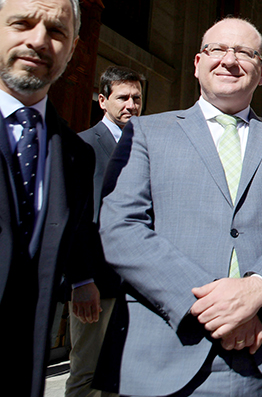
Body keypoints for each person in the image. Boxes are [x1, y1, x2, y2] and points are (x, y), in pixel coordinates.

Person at [97, 17, 262, 396]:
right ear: (196, 63)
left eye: (245, 52)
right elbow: (121, 227)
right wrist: (216, 306)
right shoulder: (146, 134)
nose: (229, 59)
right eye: (217, 49)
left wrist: (256, 290)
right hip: (168, 346)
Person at [0, 0, 96, 397]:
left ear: (73, 49)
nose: (38, 41)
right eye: (21, 24)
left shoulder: (77, 156)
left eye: (57, 31)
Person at [69, 65, 144, 397]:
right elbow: (76, 220)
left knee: (122, 375)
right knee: (87, 373)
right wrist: (82, 280)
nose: (130, 105)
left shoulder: (145, 146)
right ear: (103, 100)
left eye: (137, 98)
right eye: (122, 97)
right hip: (97, 285)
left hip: (136, 285)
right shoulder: (82, 145)